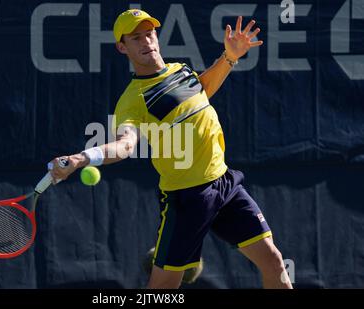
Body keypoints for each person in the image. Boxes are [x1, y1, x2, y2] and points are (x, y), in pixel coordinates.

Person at [49, 9, 293, 289]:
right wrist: (82, 158)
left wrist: (230, 57)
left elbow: (202, 88)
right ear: (122, 47)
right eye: (136, 38)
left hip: (225, 184)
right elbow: (125, 145)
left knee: (273, 260)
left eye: (150, 33)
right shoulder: (133, 100)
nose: (146, 42)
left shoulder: (180, 70)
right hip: (187, 199)